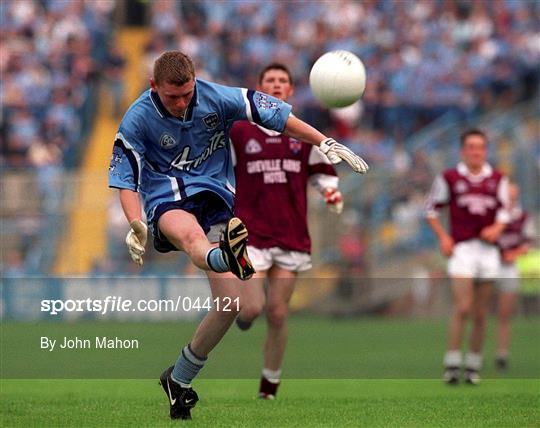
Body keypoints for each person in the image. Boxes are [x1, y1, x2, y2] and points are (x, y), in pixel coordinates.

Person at [108, 51, 368, 420]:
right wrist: (135, 223)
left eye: (186, 94)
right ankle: (223, 254)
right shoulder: (137, 119)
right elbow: (125, 178)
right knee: (195, 241)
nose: (181, 104)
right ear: (154, 87)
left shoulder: (219, 97)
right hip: (168, 200)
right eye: (172, 97)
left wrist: (322, 142)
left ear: (195, 81)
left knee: (230, 306)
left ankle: (178, 379)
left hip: (217, 199)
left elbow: (277, 116)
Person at [230, 63, 344, 399]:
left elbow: (322, 172)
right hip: (251, 236)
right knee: (252, 307)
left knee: (278, 312)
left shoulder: (303, 134)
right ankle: (244, 316)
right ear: (260, 88)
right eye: (271, 81)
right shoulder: (240, 132)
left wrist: (330, 192)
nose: (277, 85)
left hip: (291, 235)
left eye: (283, 81)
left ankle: (269, 385)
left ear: (290, 90)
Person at [425, 129, 510, 385]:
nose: (476, 151)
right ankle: (452, 363)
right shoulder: (449, 178)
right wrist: (443, 237)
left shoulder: (497, 179)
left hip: (487, 252)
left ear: (486, 151)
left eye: (481, 147)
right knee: (463, 307)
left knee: (481, 313)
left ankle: (473, 365)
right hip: (462, 249)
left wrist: (496, 228)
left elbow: (506, 213)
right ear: (463, 151)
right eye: (471, 147)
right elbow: (431, 209)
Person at [495, 182, 534, 370]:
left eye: (514, 195)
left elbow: (528, 243)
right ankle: (473, 355)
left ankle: (502, 354)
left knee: (505, 314)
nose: (512, 198)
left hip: (508, 268)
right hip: (489, 267)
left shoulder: (523, 216)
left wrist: (514, 254)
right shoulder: (492, 215)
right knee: (477, 312)